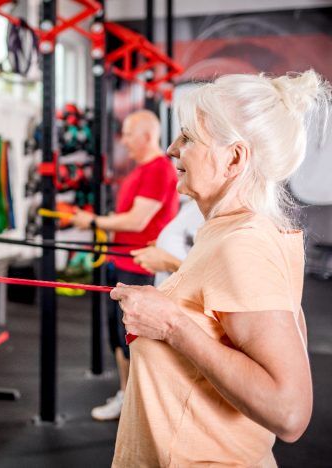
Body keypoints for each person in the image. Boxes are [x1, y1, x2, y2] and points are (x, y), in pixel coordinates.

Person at [110, 70, 330, 466]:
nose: (173, 149)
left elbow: (290, 413)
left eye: (189, 138)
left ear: (234, 158)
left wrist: (173, 325)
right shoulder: (227, 231)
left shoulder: (241, 244)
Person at [71, 110, 179, 421]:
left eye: (129, 134)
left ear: (147, 136)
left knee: (136, 339)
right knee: (118, 337)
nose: (124, 140)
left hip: (140, 266)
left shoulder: (159, 170)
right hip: (119, 261)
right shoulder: (139, 171)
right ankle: (127, 395)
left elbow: (137, 219)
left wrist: (92, 220)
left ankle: (141, 404)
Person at [131, 195, 204, 286]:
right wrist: (162, 244)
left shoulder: (214, 212)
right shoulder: (194, 204)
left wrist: (169, 263)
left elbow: (211, 283)